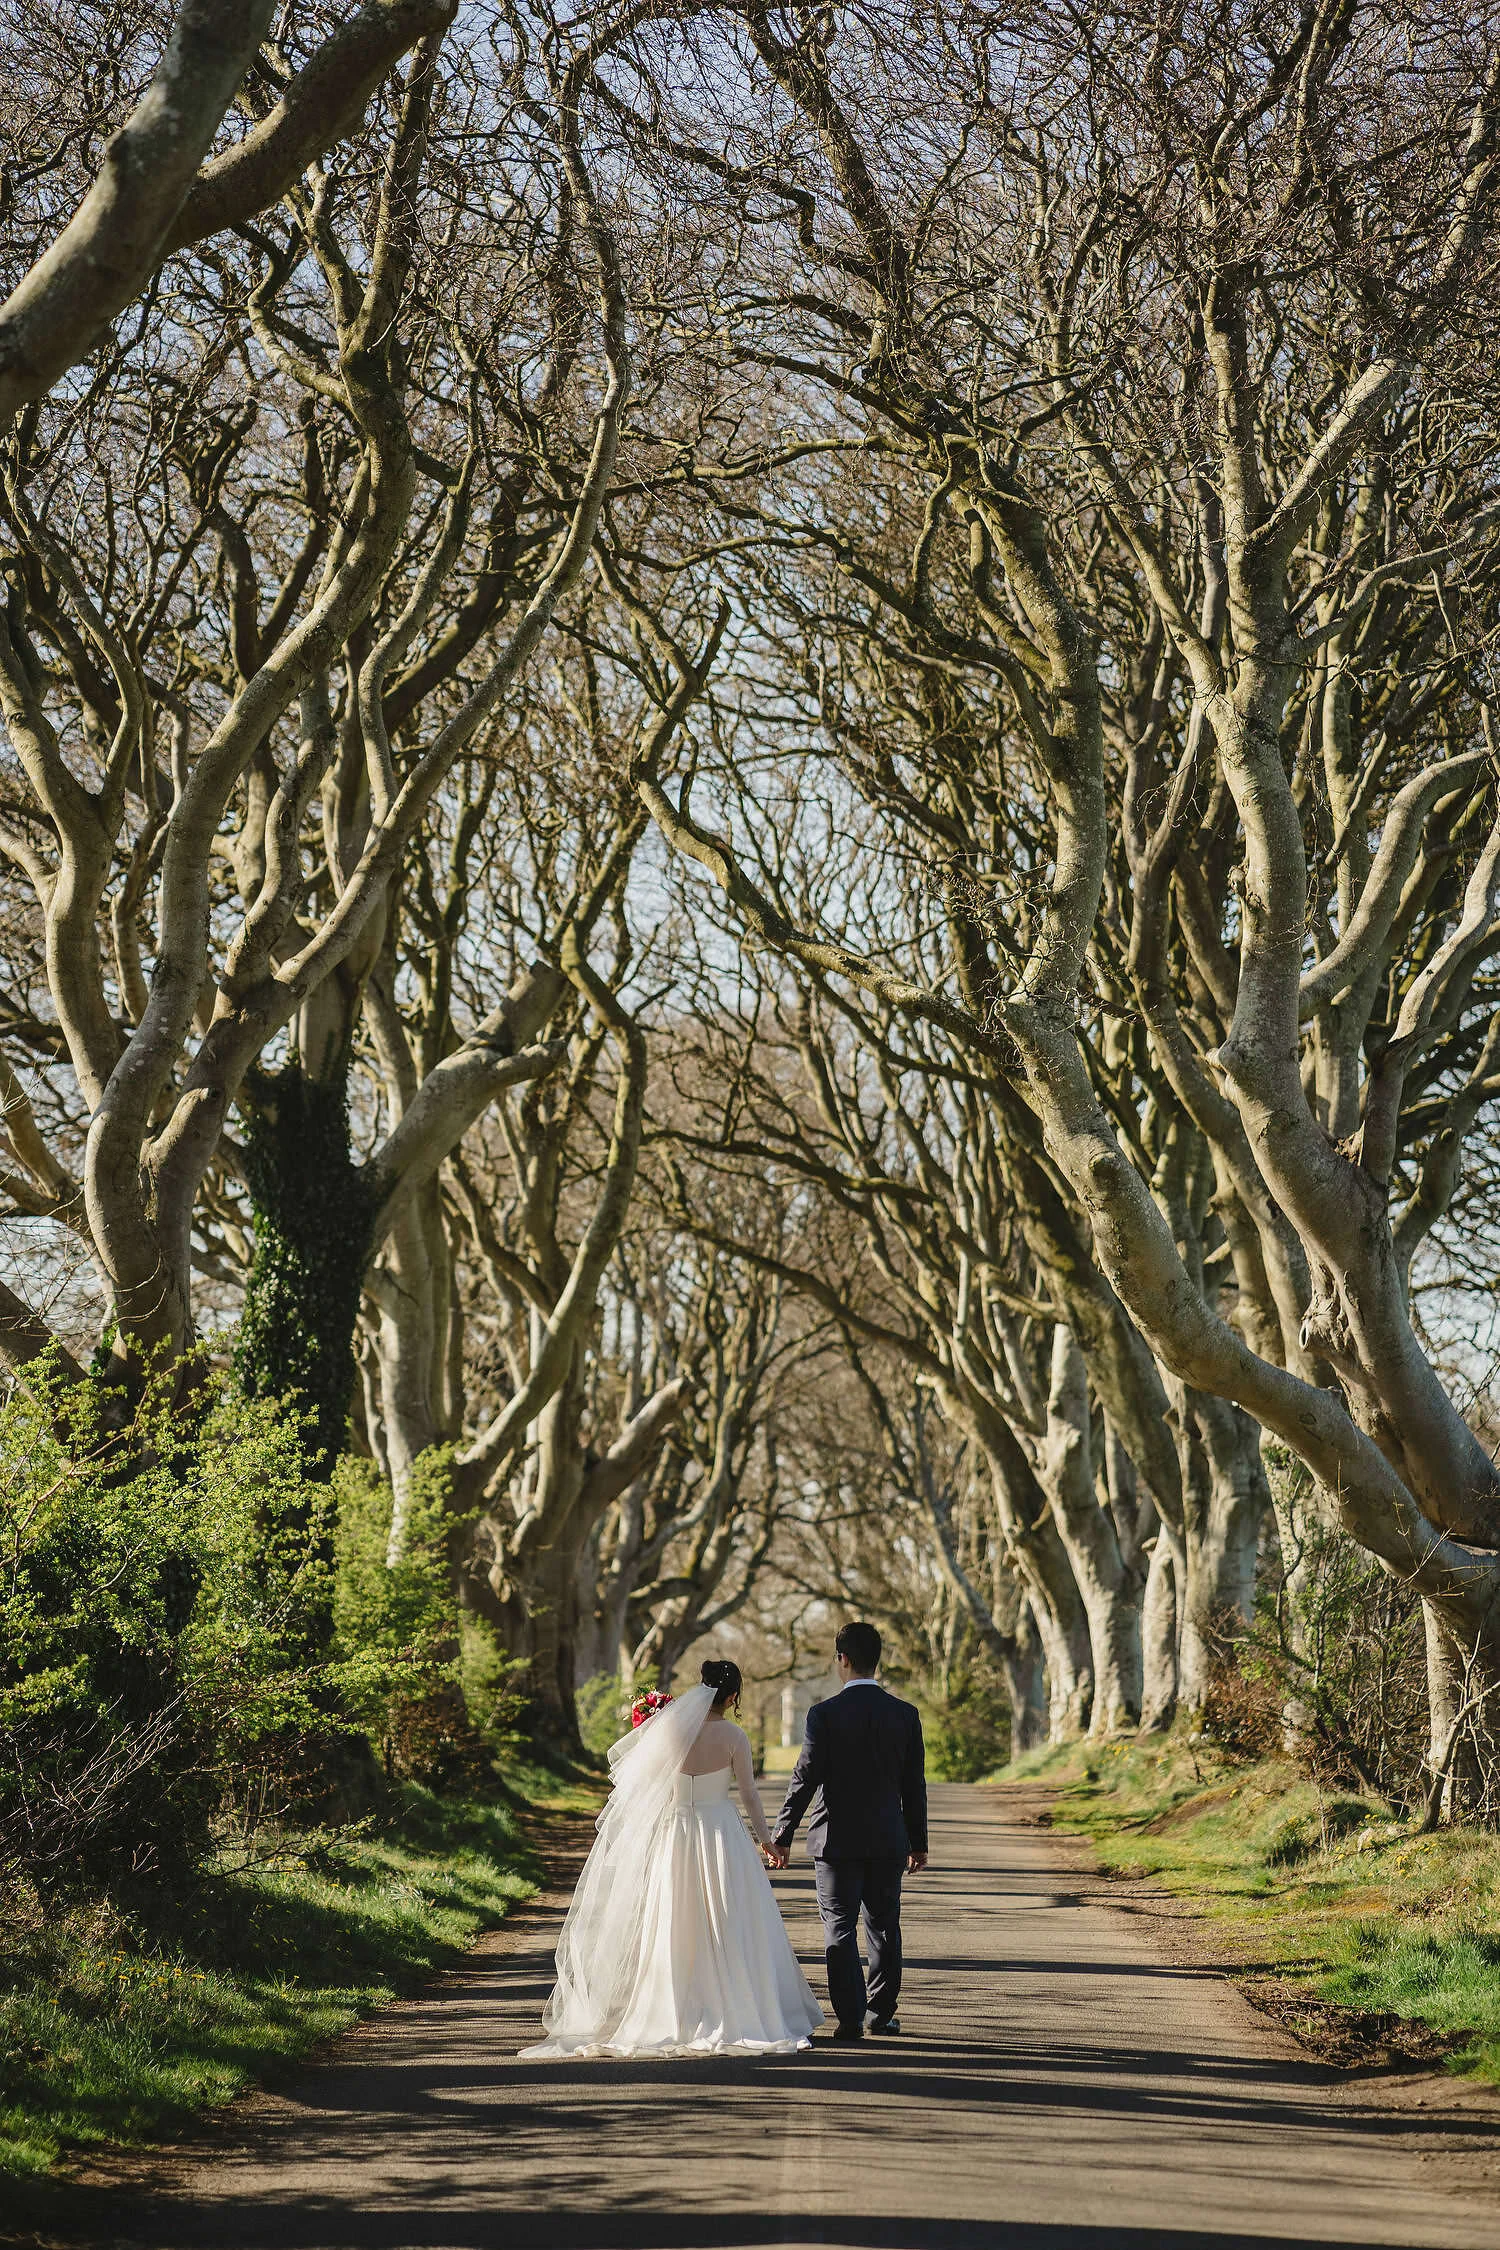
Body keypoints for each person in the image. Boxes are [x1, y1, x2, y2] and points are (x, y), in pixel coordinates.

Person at [520, 1658, 823, 2058]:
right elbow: (749, 1793)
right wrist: (767, 1840)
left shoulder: (668, 1732)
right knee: (729, 1918)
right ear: (732, 1697)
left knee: (675, 1918)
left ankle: (676, 2005)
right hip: (720, 1833)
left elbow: (649, 1788)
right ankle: (736, 2004)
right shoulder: (734, 1736)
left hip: (676, 1833)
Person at [767, 1622, 928, 2043]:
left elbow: (805, 1777)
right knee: (884, 1927)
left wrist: (783, 1834)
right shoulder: (905, 1715)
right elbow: (914, 1786)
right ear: (878, 1660)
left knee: (839, 1928)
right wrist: (919, 1842)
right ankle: (881, 2013)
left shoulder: (824, 1715)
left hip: (835, 1841)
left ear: (842, 1659)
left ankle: (851, 2017)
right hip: (887, 1839)